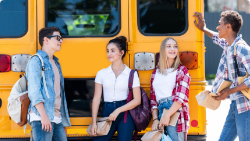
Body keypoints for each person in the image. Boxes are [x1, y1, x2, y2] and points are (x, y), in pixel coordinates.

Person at [194, 11, 250, 141]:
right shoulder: (229, 46)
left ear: (228, 27)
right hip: (234, 105)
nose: (217, 27)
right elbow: (216, 38)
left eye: (220, 24)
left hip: (245, 106)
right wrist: (203, 29)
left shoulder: (242, 49)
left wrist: (229, 91)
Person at [89, 36, 141, 141]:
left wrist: (118, 110)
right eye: (108, 51)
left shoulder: (131, 74)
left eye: (113, 51)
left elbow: (137, 100)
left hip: (125, 112)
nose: (109, 54)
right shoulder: (102, 73)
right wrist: (94, 122)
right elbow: (96, 99)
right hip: (107, 111)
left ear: (122, 53)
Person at [26, 26, 71, 141]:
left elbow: (58, 94)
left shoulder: (55, 62)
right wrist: (44, 117)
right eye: (57, 38)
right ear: (46, 40)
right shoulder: (36, 61)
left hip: (56, 118)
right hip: (41, 117)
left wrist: (61, 120)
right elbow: (34, 92)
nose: (61, 41)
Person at [150, 37, 191, 141]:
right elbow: (153, 100)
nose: (172, 49)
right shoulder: (156, 73)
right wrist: (155, 119)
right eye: (168, 46)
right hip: (160, 111)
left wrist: (167, 115)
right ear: (163, 49)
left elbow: (182, 98)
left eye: (175, 46)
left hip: (175, 110)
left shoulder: (182, 71)